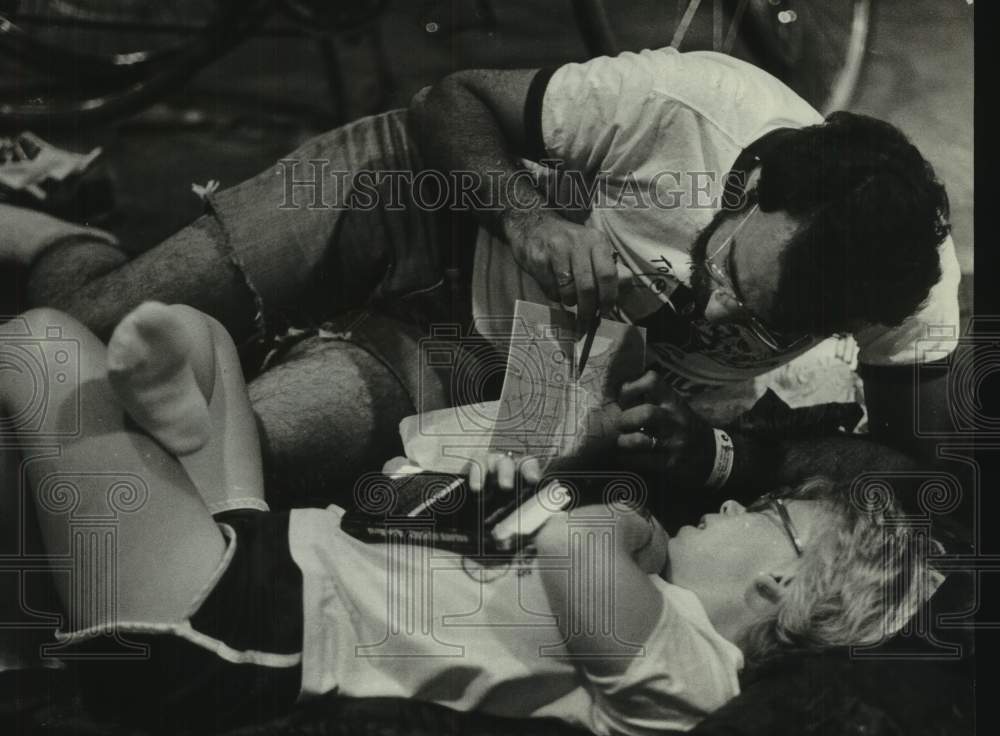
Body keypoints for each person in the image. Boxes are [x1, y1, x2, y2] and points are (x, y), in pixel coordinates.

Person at [0, 47, 960, 506]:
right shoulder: (690, 105)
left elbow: (915, 474)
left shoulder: (905, 292)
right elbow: (447, 102)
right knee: (89, 329)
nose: (713, 309)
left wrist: (727, 458)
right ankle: (57, 237)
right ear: (749, 184)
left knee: (237, 452)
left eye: (762, 320)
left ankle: (91, 256)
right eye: (732, 274)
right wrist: (529, 216)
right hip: (428, 193)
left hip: (518, 357)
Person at [0, 302, 939, 736]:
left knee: (45, 350)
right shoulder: (633, 573)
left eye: (767, 512)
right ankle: (166, 409)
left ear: (783, 581)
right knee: (196, 340)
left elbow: (548, 522)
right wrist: (567, 353)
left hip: (251, 633)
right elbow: (450, 472)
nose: (734, 505)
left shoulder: (693, 671)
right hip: (297, 541)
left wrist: (604, 497)